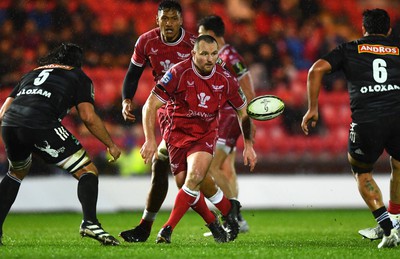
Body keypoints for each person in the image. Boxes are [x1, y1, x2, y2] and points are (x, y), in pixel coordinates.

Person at [0, 43, 121, 246]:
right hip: (40, 122)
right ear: (77, 62)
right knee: (87, 170)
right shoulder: (78, 76)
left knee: (16, 172)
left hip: (10, 124)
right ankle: (90, 222)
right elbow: (88, 117)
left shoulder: (31, 73)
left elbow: (3, 112)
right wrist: (110, 144)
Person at [141, 35, 257, 244]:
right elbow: (150, 104)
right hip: (176, 135)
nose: (209, 59)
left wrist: (248, 145)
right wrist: (150, 139)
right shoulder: (178, 72)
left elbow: (243, 111)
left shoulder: (226, 78)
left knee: (193, 177)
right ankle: (227, 213)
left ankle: (167, 229)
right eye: (204, 54)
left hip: (205, 134)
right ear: (193, 53)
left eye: (213, 54)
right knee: (188, 183)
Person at [301, 9, 400, 249]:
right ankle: (396, 219)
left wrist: (312, 108)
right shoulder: (398, 49)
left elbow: (316, 69)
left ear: (363, 29)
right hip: (398, 117)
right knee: (398, 164)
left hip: (367, 120)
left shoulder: (350, 48)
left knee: (362, 171)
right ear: (388, 30)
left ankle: (388, 226)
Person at [119, 0, 196, 242]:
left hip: (194, 112)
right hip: (169, 111)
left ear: (181, 20)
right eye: (165, 18)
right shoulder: (146, 42)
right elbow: (133, 74)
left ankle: (224, 215)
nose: (169, 23)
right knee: (167, 169)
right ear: (157, 20)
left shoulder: (194, 44)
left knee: (188, 175)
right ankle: (225, 215)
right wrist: (126, 99)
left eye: (174, 18)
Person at [197, 15, 256, 233]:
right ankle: (234, 220)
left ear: (210, 34)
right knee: (227, 169)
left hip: (231, 117)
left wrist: (250, 124)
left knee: (211, 167)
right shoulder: (220, 55)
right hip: (222, 116)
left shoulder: (230, 57)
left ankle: (234, 218)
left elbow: (248, 91)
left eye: (202, 33)